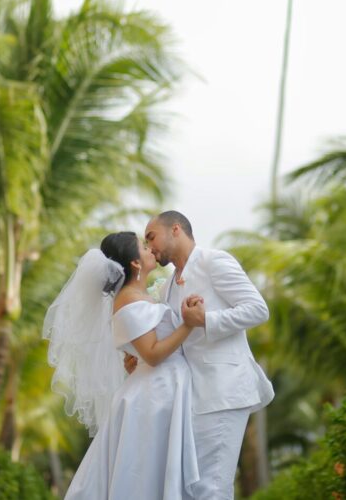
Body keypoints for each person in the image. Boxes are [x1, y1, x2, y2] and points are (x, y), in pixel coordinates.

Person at [44, 231, 207, 499]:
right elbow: (153, 354)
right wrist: (188, 324)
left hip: (158, 388)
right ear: (135, 263)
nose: (150, 249)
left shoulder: (137, 295)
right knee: (144, 475)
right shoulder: (130, 298)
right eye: (144, 246)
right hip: (154, 395)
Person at [130, 211, 275, 499]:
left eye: (151, 237)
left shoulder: (214, 261)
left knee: (213, 486)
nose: (149, 247)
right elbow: (176, 339)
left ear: (175, 230)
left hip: (223, 390)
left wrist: (206, 320)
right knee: (194, 488)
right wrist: (139, 357)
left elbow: (258, 309)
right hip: (193, 397)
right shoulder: (170, 284)